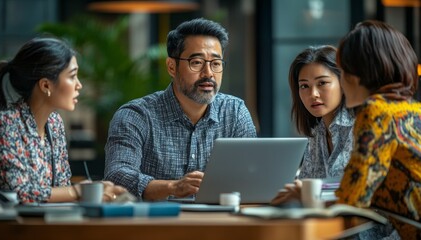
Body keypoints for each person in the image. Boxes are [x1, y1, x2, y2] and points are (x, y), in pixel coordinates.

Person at [104, 18, 257, 201]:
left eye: (215, 63)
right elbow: (117, 175)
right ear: (171, 67)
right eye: (197, 62)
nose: (208, 73)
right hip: (155, 224)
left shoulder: (235, 112)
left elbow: (252, 173)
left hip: (220, 222)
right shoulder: (135, 116)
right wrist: (172, 187)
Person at [0, 37, 126, 203]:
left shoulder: (54, 123)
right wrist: (78, 191)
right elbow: (17, 193)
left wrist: (94, 189)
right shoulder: (5, 123)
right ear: (46, 85)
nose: (79, 85)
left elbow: (62, 185)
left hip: (53, 223)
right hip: (14, 227)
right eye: (72, 76)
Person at [335, 20, 421, 239]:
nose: (341, 82)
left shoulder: (376, 111)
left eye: (342, 71)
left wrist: (303, 199)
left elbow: (352, 197)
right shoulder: (413, 109)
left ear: (357, 75)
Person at [270, 46, 354, 205]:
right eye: (304, 86)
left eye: (322, 83)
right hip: (329, 225)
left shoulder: (361, 128)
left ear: (343, 83)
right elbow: (304, 186)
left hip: (366, 225)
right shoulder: (317, 135)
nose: (313, 94)